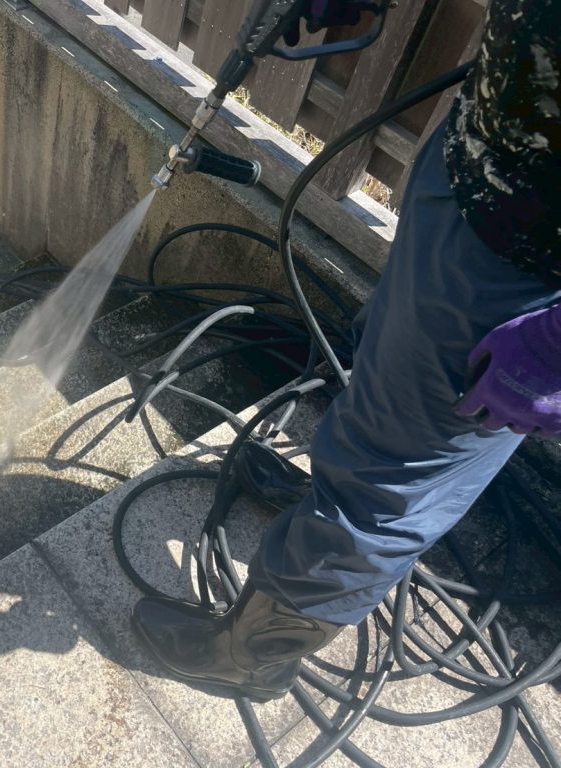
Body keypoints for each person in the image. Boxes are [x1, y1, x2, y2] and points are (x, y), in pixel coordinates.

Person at [131, 0, 561, 701]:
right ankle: (323, 504)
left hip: (527, 289)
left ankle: (250, 658)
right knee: (380, 384)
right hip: (481, 170)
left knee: (387, 491)